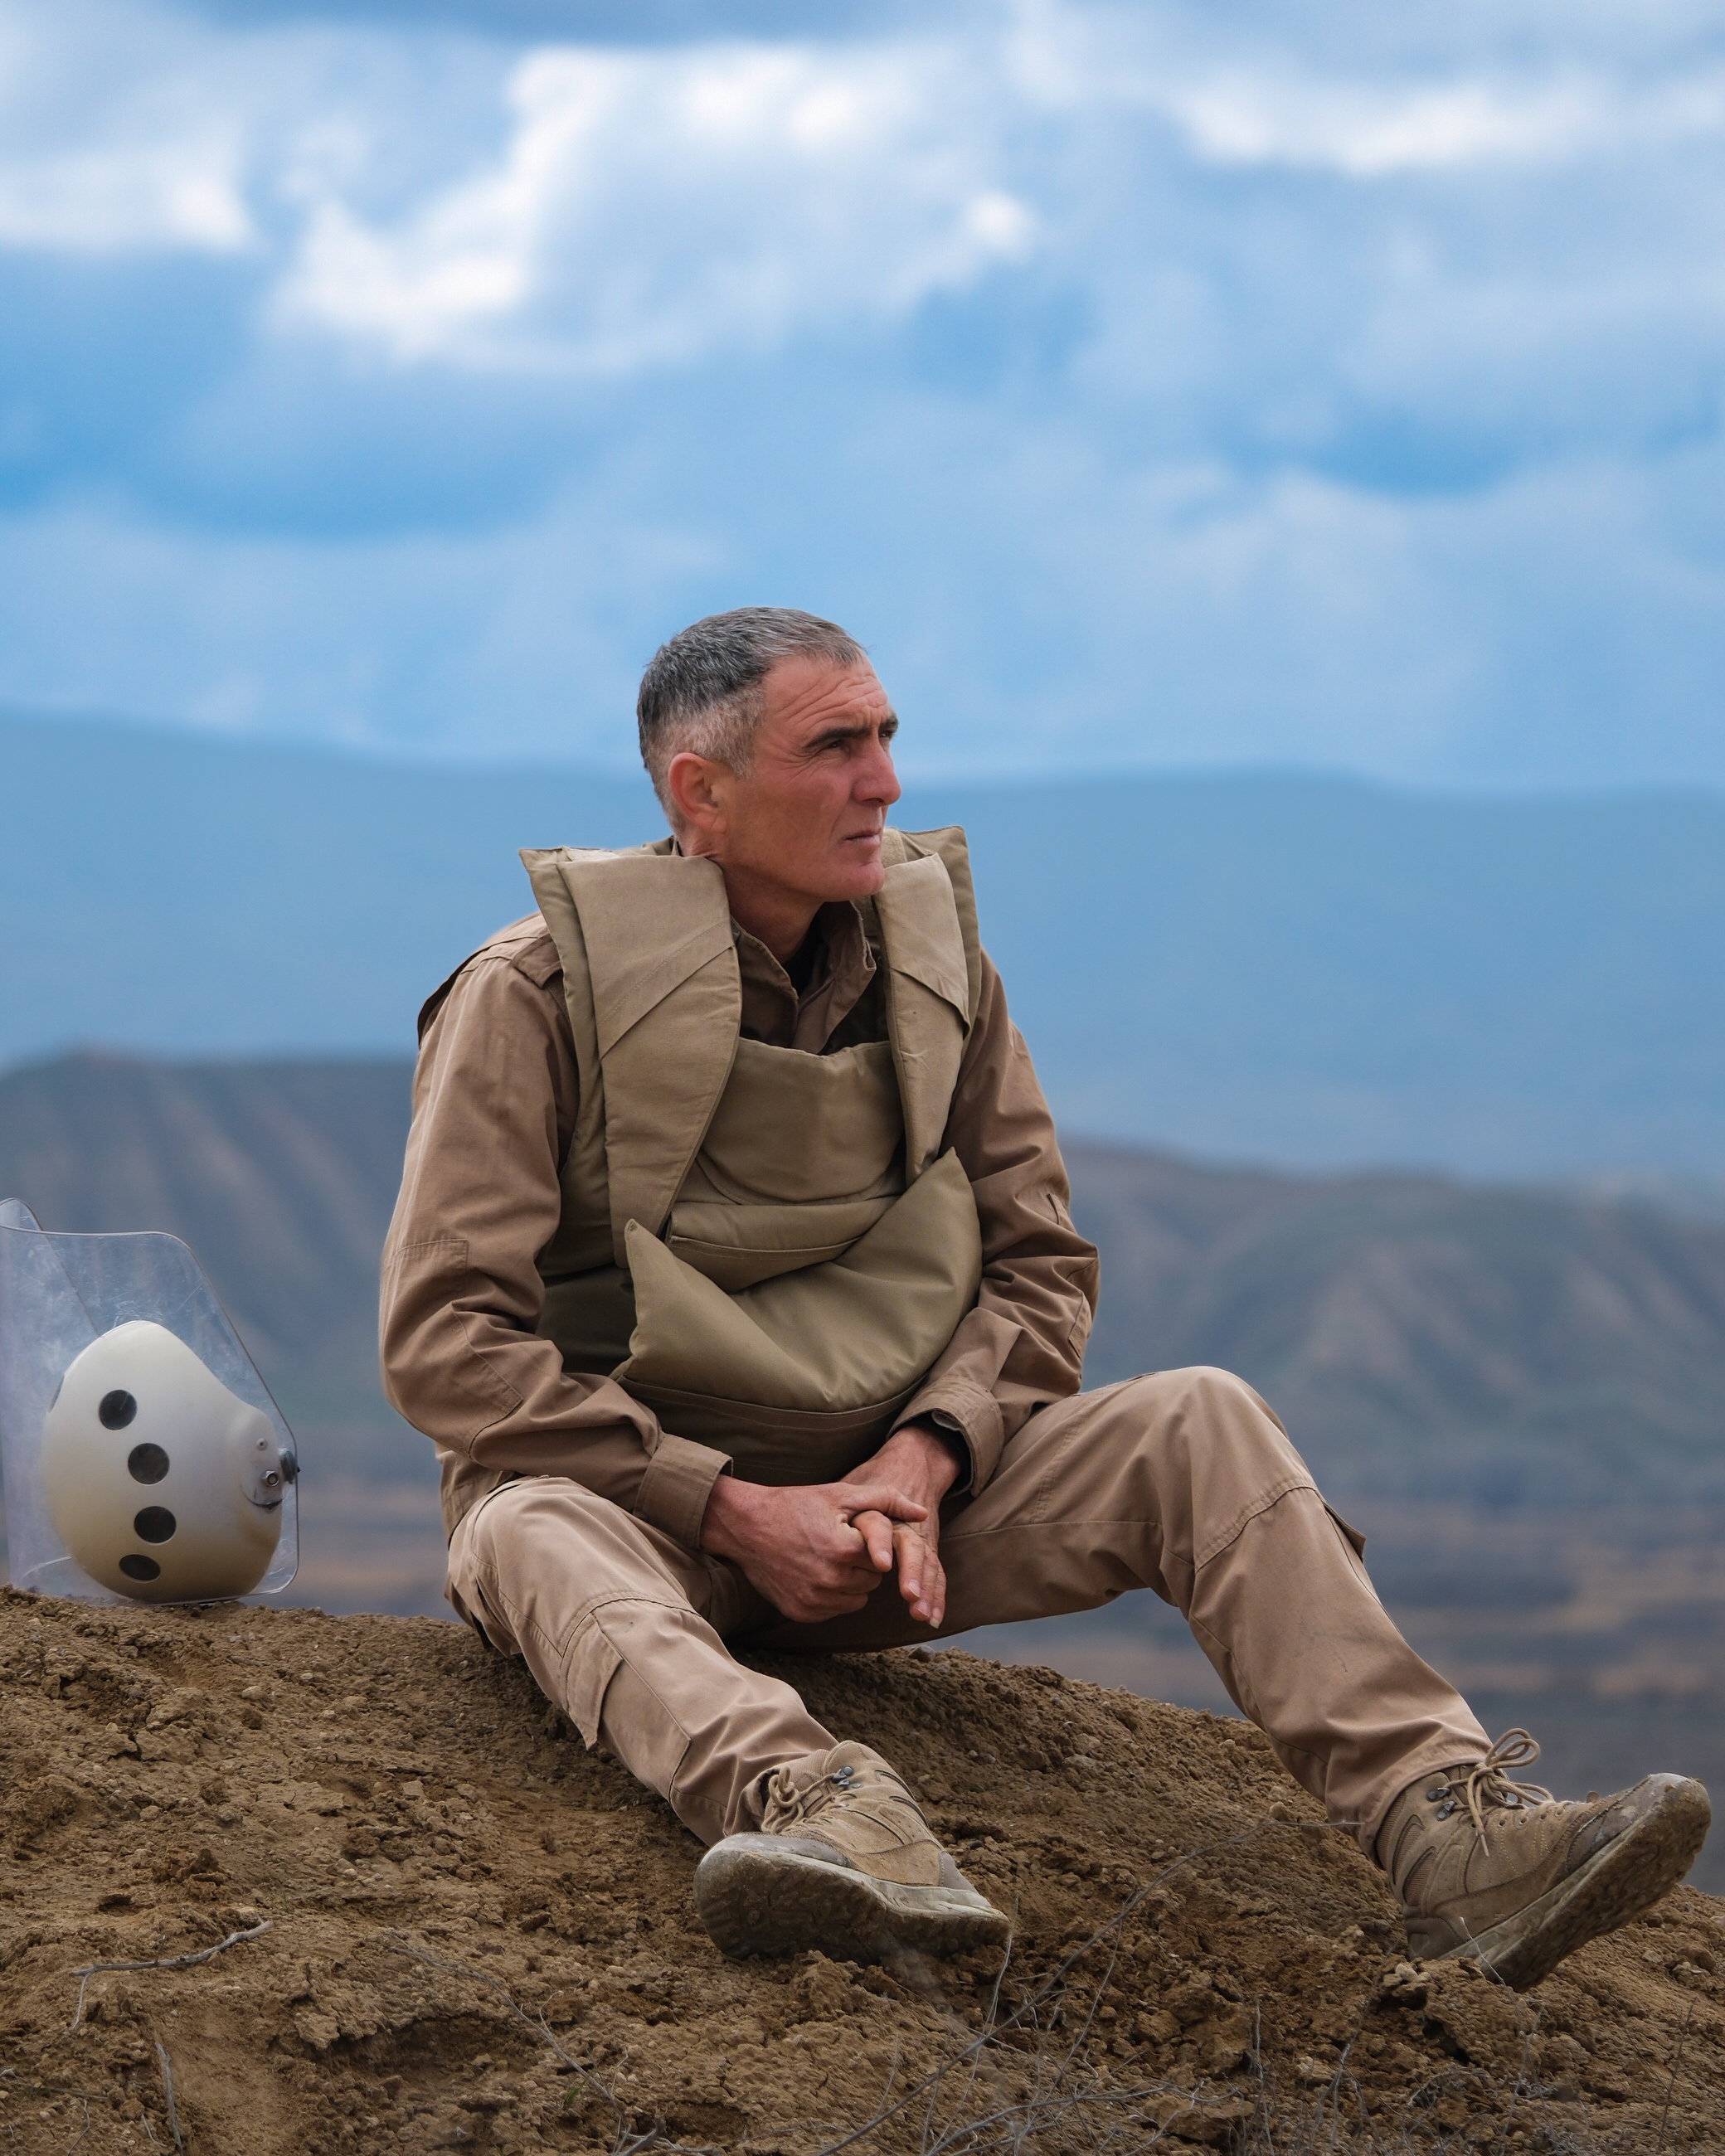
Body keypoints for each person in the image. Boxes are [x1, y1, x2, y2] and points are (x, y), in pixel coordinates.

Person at [381, 607, 1708, 1982]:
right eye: (834, 748)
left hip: (897, 1523)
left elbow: (1039, 1263)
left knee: (1201, 1417)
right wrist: (728, 1506)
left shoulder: (937, 972)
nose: (885, 781)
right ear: (698, 793)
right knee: (525, 1525)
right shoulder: (531, 994)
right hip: (640, 1524)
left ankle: (1450, 1838)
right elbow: (444, 1342)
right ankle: (818, 1816)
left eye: (886, 736)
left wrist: (922, 1457)